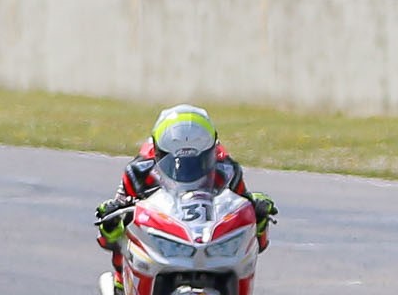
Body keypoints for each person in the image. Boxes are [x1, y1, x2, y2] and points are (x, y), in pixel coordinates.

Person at [92, 104, 277, 254]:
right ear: (158, 153)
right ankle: (121, 287)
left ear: (212, 151)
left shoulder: (227, 170)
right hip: (159, 244)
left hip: (211, 246)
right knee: (124, 244)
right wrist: (111, 217)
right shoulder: (139, 171)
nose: (187, 169)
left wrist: (259, 211)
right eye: (175, 161)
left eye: (197, 161)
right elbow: (109, 237)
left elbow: (252, 232)